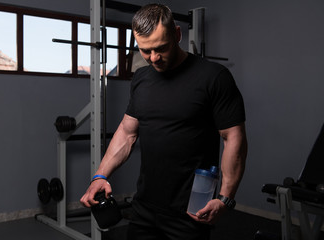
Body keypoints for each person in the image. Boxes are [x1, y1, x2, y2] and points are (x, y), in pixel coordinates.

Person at [81, 3, 247, 240]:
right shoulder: (141, 79)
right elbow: (127, 132)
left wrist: (225, 198)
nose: (154, 58)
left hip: (191, 211)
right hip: (145, 208)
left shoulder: (214, 77)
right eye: (145, 51)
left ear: (177, 35)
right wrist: (100, 175)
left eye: (161, 48)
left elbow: (234, 137)